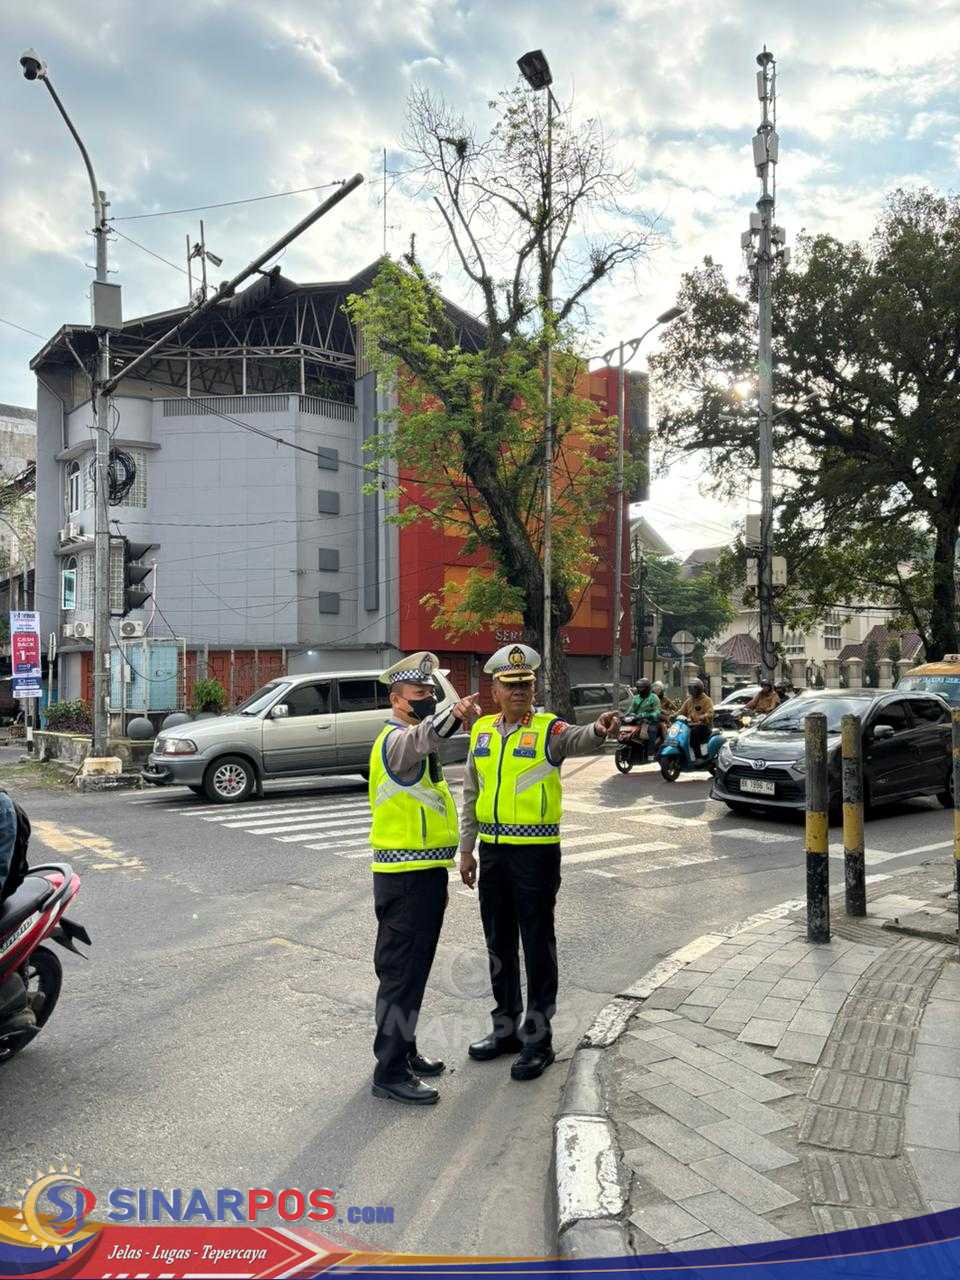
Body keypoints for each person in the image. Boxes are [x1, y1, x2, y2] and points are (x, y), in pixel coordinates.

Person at [458, 644, 620, 1081]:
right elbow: (471, 793)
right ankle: (505, 1029)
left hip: (535, 855)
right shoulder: (483, 732)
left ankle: (538, 1040)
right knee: (499, 945)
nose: (519, 693)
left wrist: (600, 730)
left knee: (536, 945)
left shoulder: (548, 728)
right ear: (495, 689)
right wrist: (467, 848)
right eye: (511, 686)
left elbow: (578, 737)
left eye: (526, 685)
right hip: (492, 854)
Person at [368, 651, 481, 1106]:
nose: (428, 699)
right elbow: (423, 739)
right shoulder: (397, 741)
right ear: (397, 700)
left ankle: (405, 1052)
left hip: (421, 875)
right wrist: (452, 716)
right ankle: (389, 1072)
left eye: (433, 694)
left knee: (410, 974)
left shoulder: (407, 737)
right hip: (406, 878)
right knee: (401, 976)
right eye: (420, 694)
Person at [677, 678, 715, 758]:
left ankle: (698, 756)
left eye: (693, 689)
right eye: (690, 689)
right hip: (689, 725)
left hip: (704, 726)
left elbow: (710, 713)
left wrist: (703, 717)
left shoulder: (707, 700)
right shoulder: (689, 700)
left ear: (699, 689)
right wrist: (673, 716)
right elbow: (681, 712)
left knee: (694, 733)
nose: (691, 691)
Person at [628, 678, 662, 749]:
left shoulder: (654, 697)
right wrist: (625, 715)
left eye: (642, 687)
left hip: (650, 721)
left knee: (651, 730)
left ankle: (651, 753)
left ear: (647, 688)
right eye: (639, 687)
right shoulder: (636, 698)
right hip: (637, 720)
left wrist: (648, 715)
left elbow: (657, 711)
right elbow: (631, 709)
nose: (640, 689)